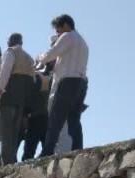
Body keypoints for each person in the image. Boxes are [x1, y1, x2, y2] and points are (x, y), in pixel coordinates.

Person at [36, 14, 89, 156]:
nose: (57, 34)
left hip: (67, 82)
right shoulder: (83, 42)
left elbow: (50, 55)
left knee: (55, 118)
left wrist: (39, 57)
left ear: (65, 25)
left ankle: (47, 151)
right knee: (74, 120)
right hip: (81, 83)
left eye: (58, 30)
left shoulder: (68, 36)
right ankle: (78, 149)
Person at [0, 33, 36, 166]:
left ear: (10, 42)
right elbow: (33, 82)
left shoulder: (10, 52)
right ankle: (11, 163)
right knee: (13, 135)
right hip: (21, 102)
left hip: (7, 99)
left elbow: (4, 74)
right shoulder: (29, 58)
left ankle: (5, 165)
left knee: (4, 135)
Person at [20, 72, 50, 160]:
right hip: (45, 116)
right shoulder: (48, 79)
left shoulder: (34, 79)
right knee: (47, 147)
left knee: (29, 151)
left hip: (34, 117)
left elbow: (29, 99)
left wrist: (24, 115)